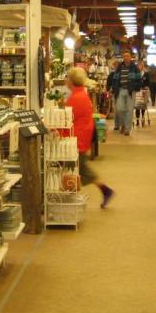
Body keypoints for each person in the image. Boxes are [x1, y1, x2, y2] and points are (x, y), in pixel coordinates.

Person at [66, 67, 114, 208]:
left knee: (79, 168)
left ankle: (67, 197)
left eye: (68, 78)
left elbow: (68, 118)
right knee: (80, 168)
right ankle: (105, 190)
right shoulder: (81, 94)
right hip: (82, 136)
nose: (66, 80)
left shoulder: (76, 97)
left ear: (72, 81)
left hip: (77, 138)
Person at [109, 51, 141, 135]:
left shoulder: (134, 67)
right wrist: (114, 88)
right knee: (119, 109)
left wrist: (135, 87)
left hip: (131, 91)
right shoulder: (119, 67)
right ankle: (123, 123)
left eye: (128, 56)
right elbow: (115, 79)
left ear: (130, 57)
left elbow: (139, 79)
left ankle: (127, 129)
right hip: (120, 90)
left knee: (129, 110)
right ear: (123, 57)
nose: (126, 57)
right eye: (125, 56)